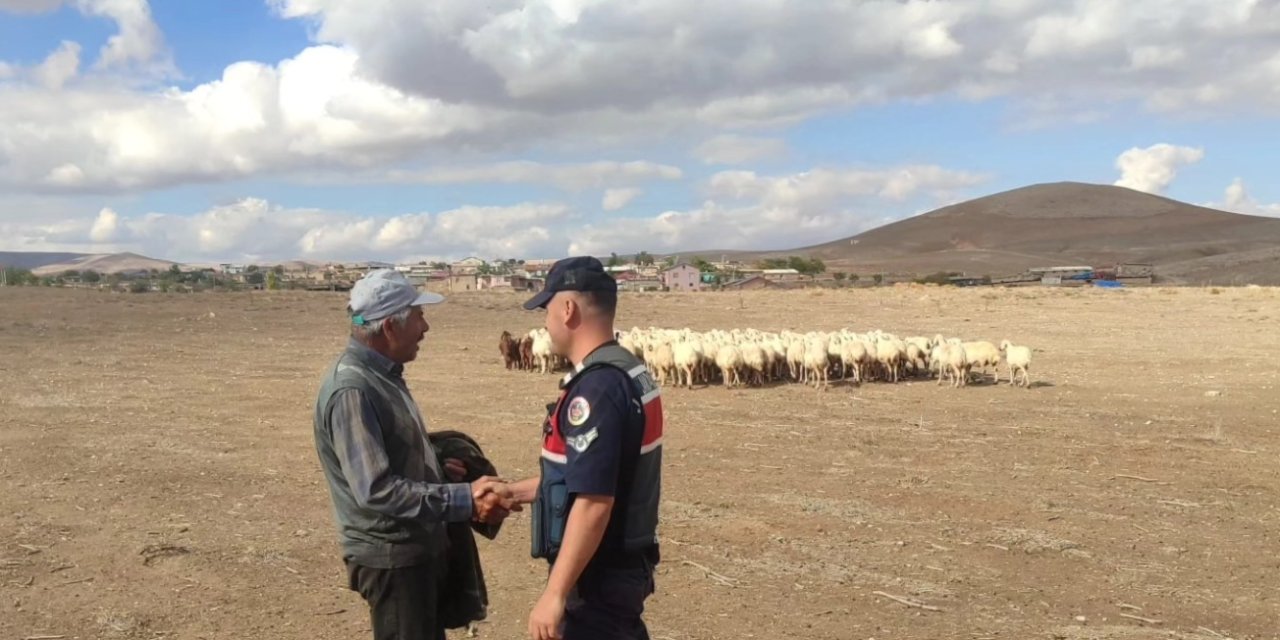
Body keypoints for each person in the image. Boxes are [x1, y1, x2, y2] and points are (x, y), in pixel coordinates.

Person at [312, 268, 519, 640]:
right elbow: (376, 489)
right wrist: (464, 498)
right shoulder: (353, 390)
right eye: (419, 316)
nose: (426, 328)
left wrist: (435, 467)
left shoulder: (382, 376)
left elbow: (387, 455)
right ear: (390, 327)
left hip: (413, 550)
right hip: (392, 557)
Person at [496, 256, 664, 640]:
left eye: (547, 309)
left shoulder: (597, 389)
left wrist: (554, 593)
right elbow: (592, 476)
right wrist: (514, 492)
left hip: (598, 576)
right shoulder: (627, 371)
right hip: (616, 567)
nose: (545, 322)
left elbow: (593, 500)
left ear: (567, 309)